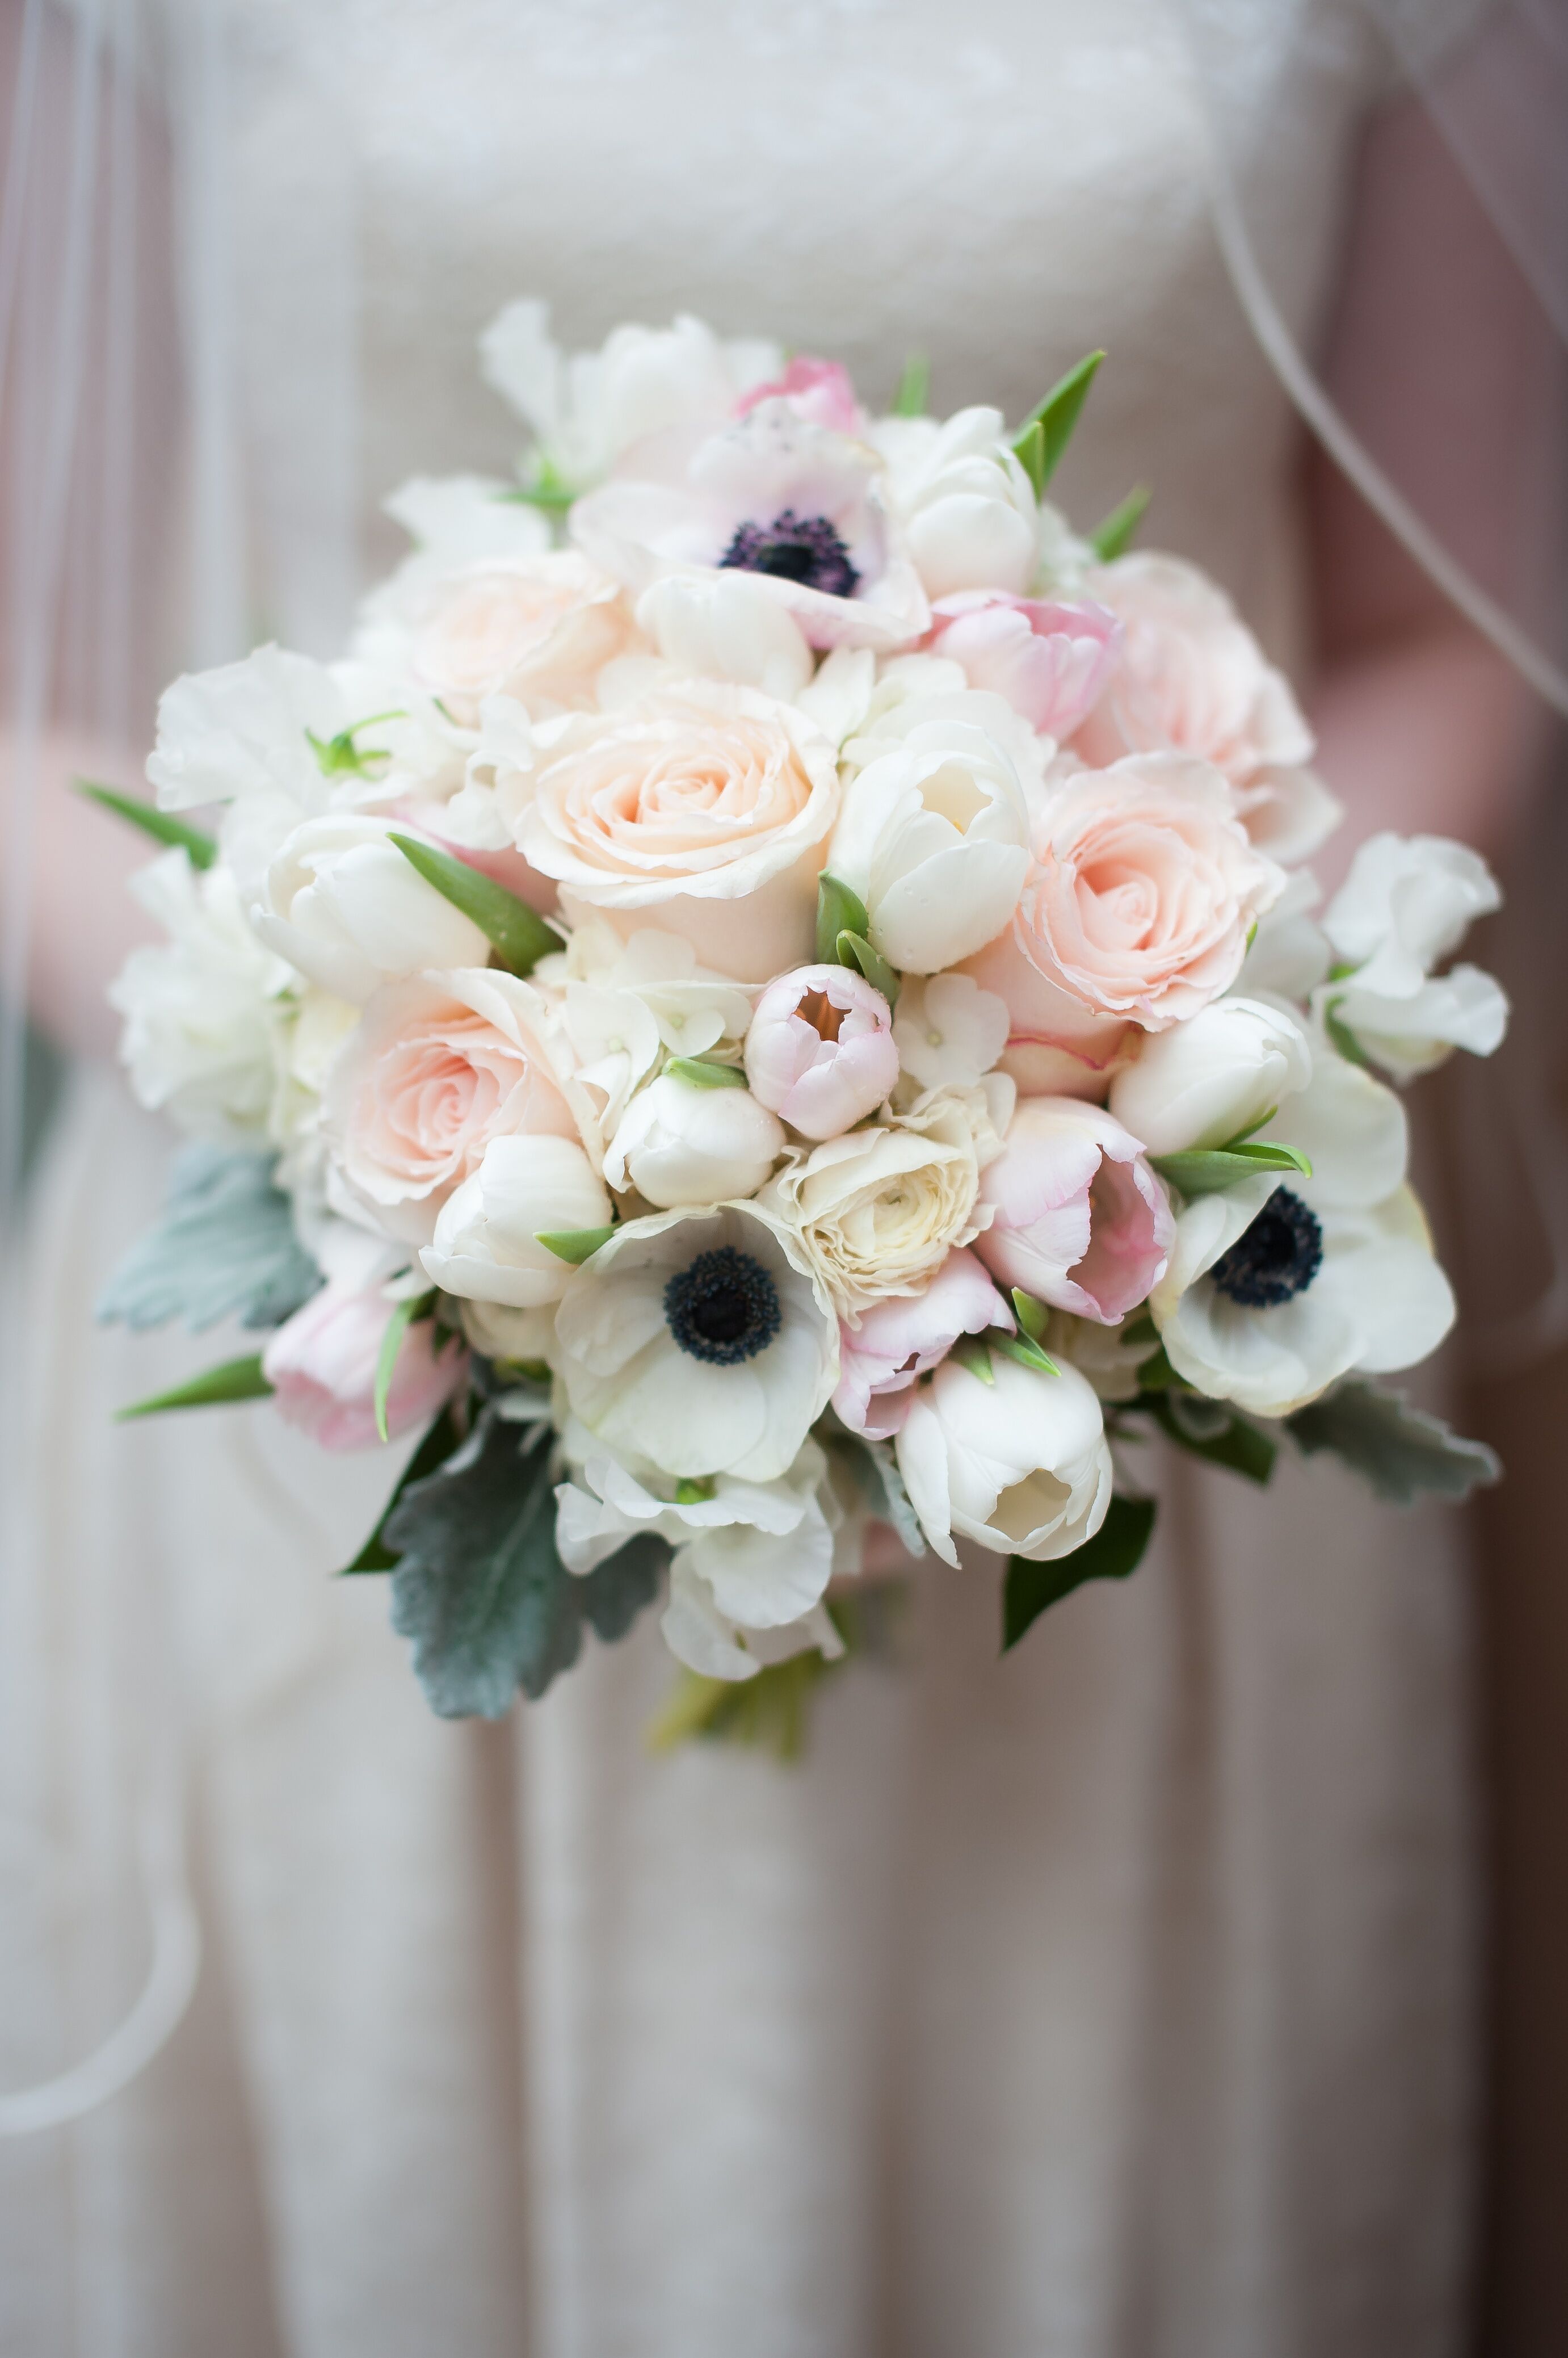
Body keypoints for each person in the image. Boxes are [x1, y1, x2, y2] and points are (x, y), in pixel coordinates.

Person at [0, 2, 1556, 2352]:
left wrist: (1076, 1119)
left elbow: (1440, 625)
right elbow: (44, 705)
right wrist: (476, 1161)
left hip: (1111, 1350)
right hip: (370, 1330)